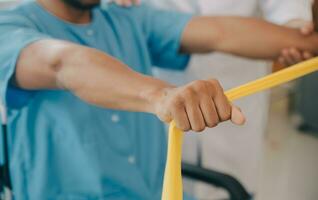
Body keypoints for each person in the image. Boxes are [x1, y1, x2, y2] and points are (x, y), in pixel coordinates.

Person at [0, 0, 318, 199]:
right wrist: (162, 96)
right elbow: (62, 64)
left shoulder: (128, 18)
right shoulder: (11, 28)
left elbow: (221, 32)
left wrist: (305, 40)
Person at [115, 0, 314, 198]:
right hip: (160, 108)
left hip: (236, 102)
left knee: (232, 187)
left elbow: (225, 33)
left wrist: (296, 31)